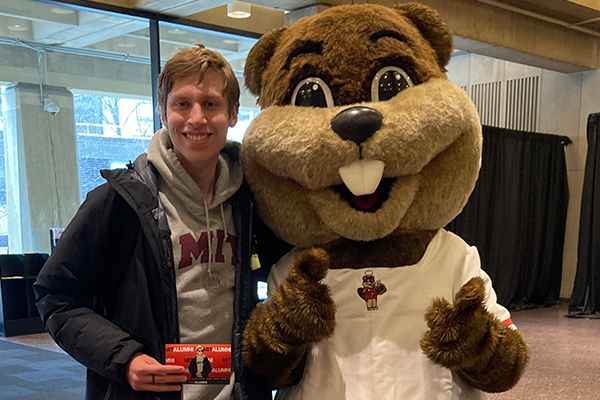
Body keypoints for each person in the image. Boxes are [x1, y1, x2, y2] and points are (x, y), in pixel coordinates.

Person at [34, 44, 273, 400]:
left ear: (233, 113)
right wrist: (124, 358)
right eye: (182, 104)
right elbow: (56, 295)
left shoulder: (252, 201)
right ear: (163, 113)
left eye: (210, 104)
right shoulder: (119, 201)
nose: (196, 118)